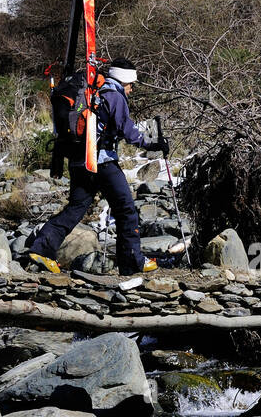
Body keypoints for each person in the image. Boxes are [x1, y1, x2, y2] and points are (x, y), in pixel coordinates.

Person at [26, 58, 161, 275]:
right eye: (131, 84)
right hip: (102, 162)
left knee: (76, 209)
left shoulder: (94, 93)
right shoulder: (114, 95)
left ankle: (41, 248)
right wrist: (152, 143)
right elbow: (127, 131)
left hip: (79, 162)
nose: (132, 89)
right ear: (123, 80)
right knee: (126, 210)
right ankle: (132, 263)